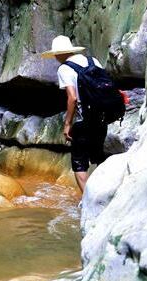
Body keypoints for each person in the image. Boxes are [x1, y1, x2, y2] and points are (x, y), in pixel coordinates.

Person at [41, 35, 107, 193]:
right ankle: (105, 193)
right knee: (98, 157)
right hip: (102, 117)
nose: (55, 57)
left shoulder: (64, 68)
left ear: (62, 53)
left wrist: (67, 124)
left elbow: (72, 98)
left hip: (83, 121)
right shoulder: (93, 61)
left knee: (79, 163)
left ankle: (88, 200)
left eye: (56, 54)